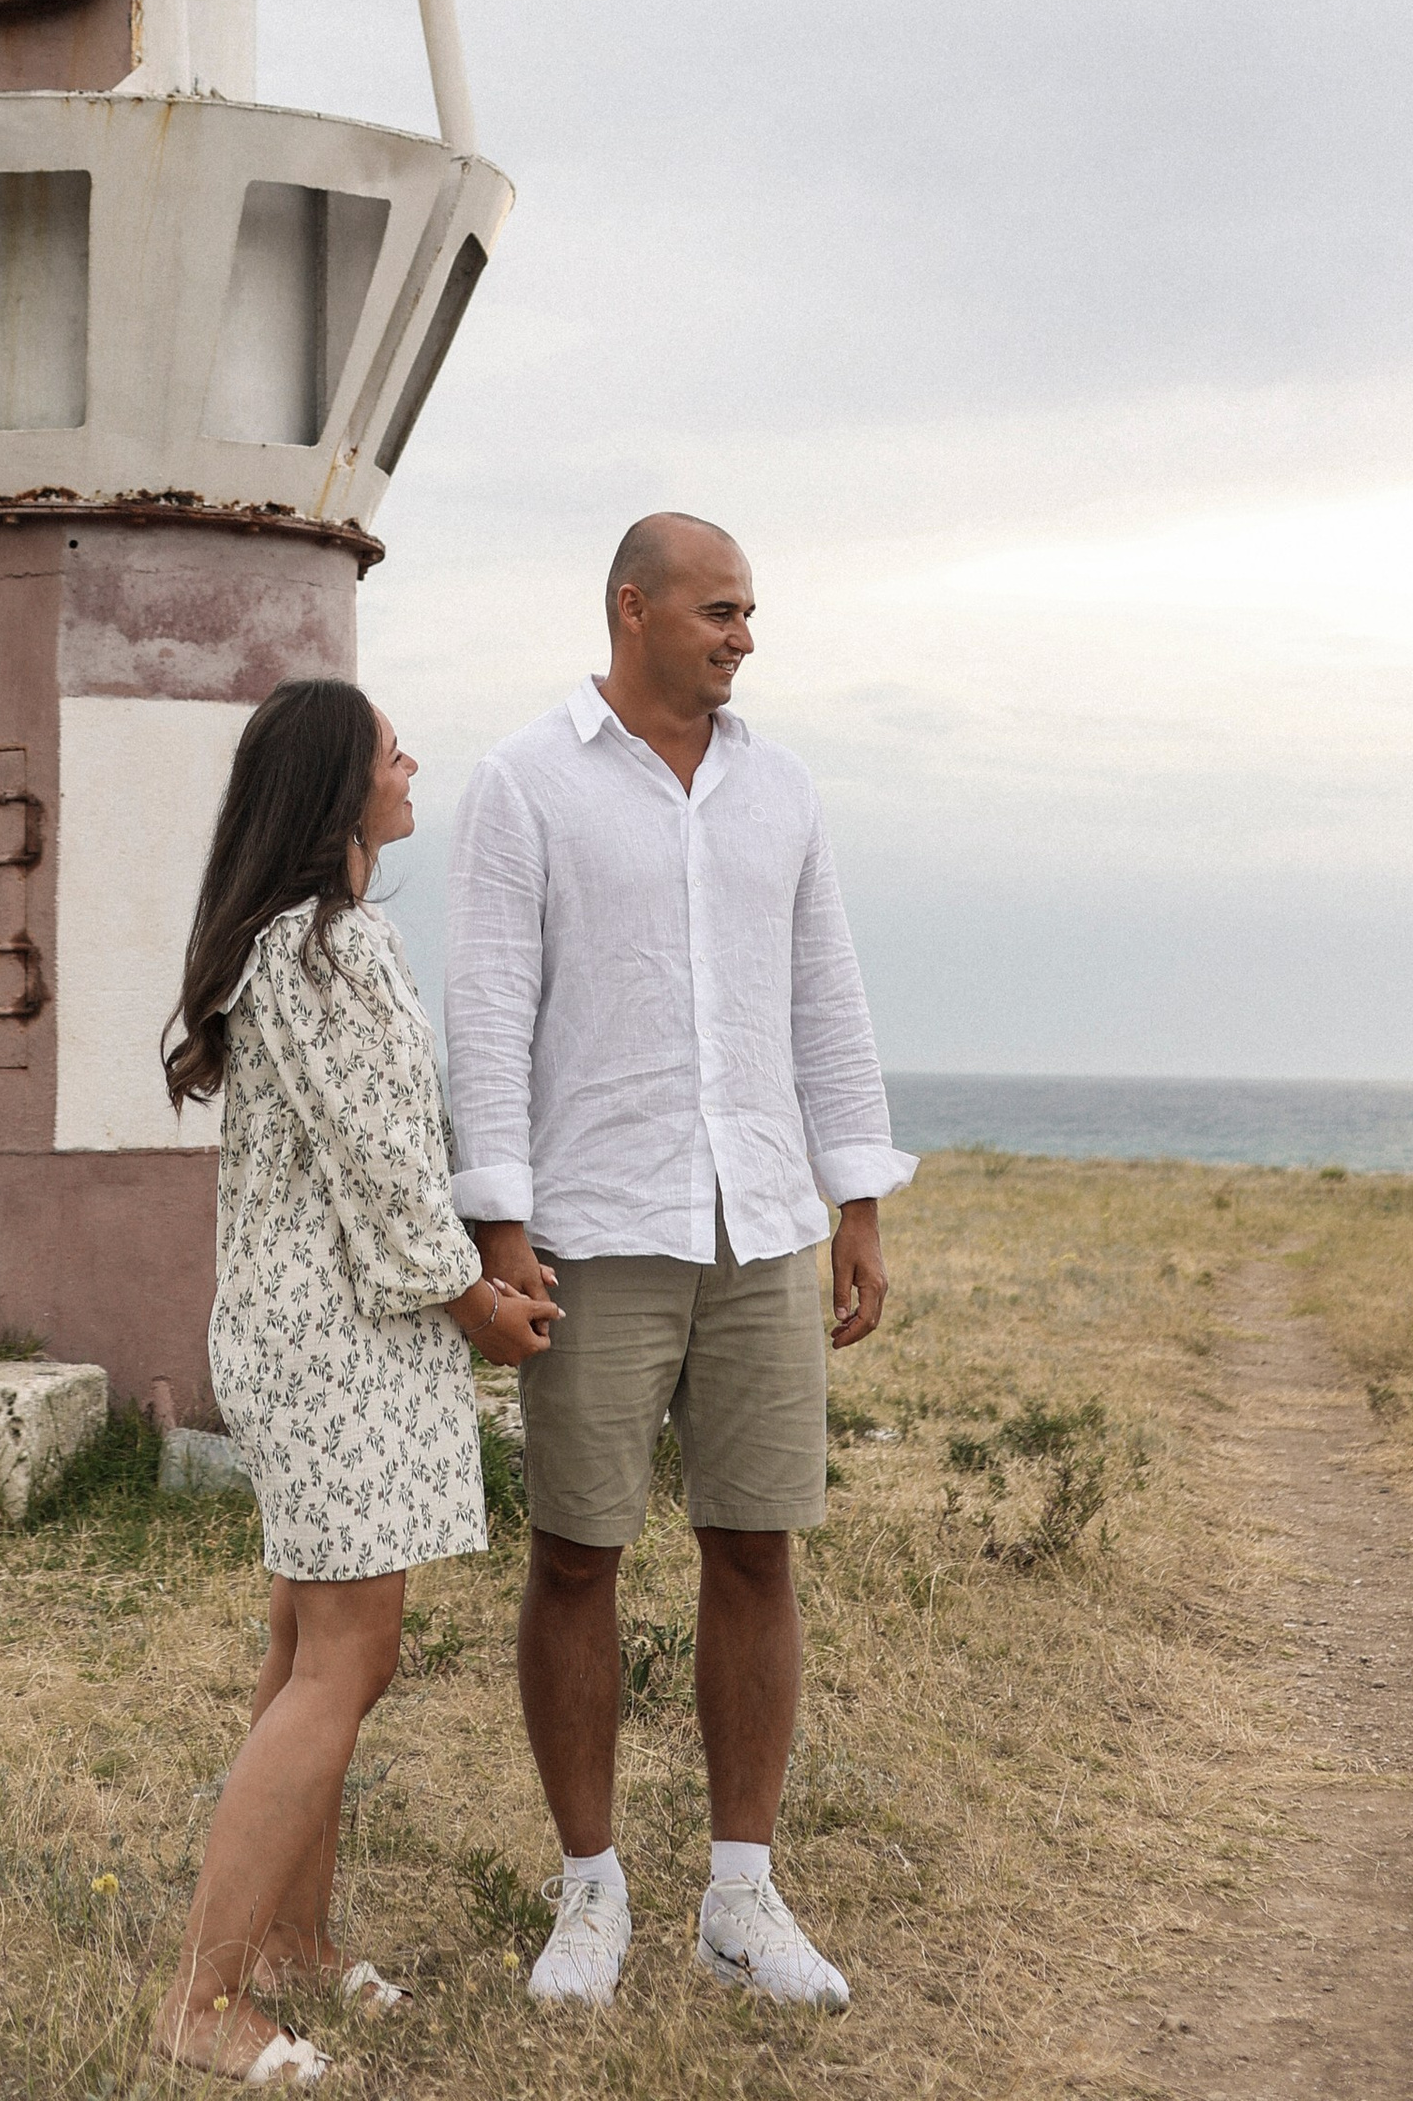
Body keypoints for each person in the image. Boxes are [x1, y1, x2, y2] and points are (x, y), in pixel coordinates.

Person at [444, 513, 914, 2014]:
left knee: (756, 1543)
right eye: (720, 610)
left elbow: (825, 998)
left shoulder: (784, 790)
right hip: (593, 1229)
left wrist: (856, 1200)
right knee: (579, 1552)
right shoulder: (523, 785)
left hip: (763, 1222)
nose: (745, 637)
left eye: (753, 612)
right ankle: (590, 1894)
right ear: (633, 609)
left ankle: (741, 1892)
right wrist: (501, 1232)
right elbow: (488, 1012)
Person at [155, 677, 560, 2083]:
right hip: (337, 1340)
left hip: (301, 1331)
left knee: (303, 1642)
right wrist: (478, 1307)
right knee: (347, 1656)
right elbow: (389, 1172)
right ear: (339, 790)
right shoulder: (333, 947)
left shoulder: (287, 945)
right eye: (390, 749)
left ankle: (291, 1943)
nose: (410, 765)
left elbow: (366, 1161)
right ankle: (203, 2000)